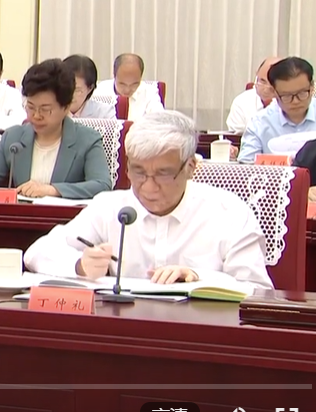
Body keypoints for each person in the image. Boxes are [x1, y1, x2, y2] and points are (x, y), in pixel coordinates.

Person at [24, 110, 273, 290]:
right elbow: (37, 253)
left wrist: (198, 278)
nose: (148, 187)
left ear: (190, 167)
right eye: (139, 172)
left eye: (163, 174)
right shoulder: (110, 206)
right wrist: (80, 266)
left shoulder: (229, 214)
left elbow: (257, 290)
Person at [0, 59, 112, 199]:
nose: (36, 116)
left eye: (45, 109)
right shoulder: (13, 137)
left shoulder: (87, 140)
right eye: (31, 107)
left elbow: (102, 185)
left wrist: (52, 190)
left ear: (66, 107)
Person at [239, 57, 316, 164]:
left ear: (312, 87)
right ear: (274, 92)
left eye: (302, 93)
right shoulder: (259, 123)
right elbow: (246, 165)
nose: (295, 101)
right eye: (287, 96)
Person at [92, 53, 165, 121]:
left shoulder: (150, 92)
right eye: (122, 84)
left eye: (134, 84)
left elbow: (159, 121)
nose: (127, 90)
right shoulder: (99, 91)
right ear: (114, 76)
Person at [226, 57, 278, 133]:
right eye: (262, 81)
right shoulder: (241, 102)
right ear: (257, 75)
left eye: (272, 83)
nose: (266, 89)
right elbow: (235, 136)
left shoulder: (291, 103)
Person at [65, 54, 116, 119]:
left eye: (77, 90)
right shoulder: (53, 110)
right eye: (66, 88)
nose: (70, 94)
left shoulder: (104, 113)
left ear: (90, 89)